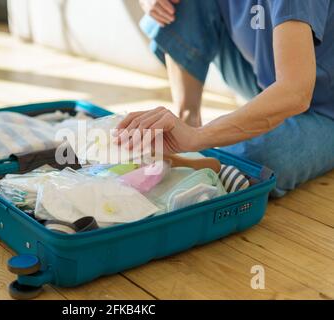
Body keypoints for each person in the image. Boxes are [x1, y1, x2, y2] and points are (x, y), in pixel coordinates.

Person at [116, 0, 334, 197]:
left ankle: (199, 155)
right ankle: (186, 122)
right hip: (265, 74)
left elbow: (295, 93)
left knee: (253, 160)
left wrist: (198, 137)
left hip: (324, 108)